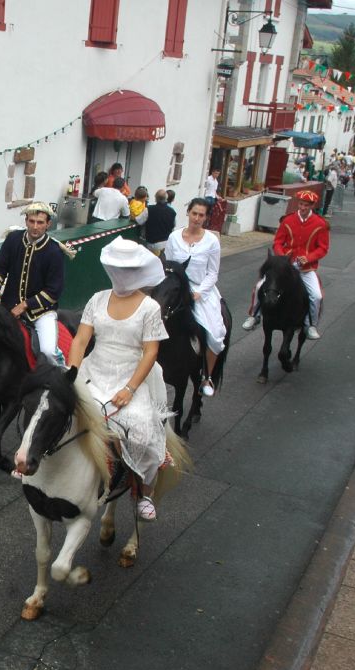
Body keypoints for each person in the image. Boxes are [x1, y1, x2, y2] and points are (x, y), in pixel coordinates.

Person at [67, 238, 170, 522]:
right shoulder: (97, 299)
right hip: (94, 370)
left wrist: (129, 389)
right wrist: (72, 373)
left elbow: (151, 352)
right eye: (117, 268)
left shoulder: (150, 307)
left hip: (130, 375)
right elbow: (81, 340)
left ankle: (144, 491)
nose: (121, 274)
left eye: (128, 269)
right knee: (56, 410)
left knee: (141, 431)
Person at [0, 201, 67, 366]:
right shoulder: (13, 239)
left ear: (48, 224)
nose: (35, 227)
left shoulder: (54, 251)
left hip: (41, 312)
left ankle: (61, 373)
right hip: (8, 306)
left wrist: (25, 305)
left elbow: (53, 291)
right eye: (31, 221)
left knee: (47, 352)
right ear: (26, 221)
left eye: (40, 222)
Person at [244, 189, 329, 340]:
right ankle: (254, 315)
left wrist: (308, 258)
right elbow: (278, 242)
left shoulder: (320, 224)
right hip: (284, 267)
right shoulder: (288, 220)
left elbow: (323, 248)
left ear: (312, 206)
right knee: (259, 287)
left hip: (305, 269)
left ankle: (311, 325)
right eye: (301, 204)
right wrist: (282, 257)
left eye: (306, 205)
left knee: (316, 296)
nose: (302, 208)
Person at [164, 198, 225, 397]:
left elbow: (213, 273)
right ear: (188, 213)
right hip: (176, 288)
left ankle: (207, 376)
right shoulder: (174, 237)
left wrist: (200, 293)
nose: (197, 218)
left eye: (201, 215)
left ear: (206, 218)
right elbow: (168, 266)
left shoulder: (212, 241)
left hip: (200, 291)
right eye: (194, 213)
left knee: (215, 334)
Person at [142, 190, 177, 255]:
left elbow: (139, 221)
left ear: (155, 198)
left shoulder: (149, 209)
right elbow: (173, 225)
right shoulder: (172, 211)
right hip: (167, 244)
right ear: (166, 198)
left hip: (153, 244)